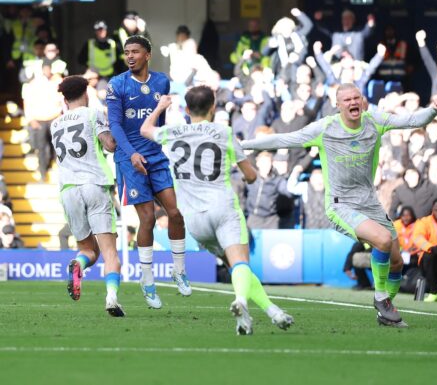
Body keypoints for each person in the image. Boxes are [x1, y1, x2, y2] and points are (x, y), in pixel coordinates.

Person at [241, 83, 437, 327]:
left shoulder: (375, 121)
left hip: (369, 202)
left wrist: (434, 110)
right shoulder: (325, 128)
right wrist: (242, 146)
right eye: (347, 100)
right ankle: (381, 298)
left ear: (362, 101)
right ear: (338, 106)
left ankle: (386, 310)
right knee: (381, 239)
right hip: (341, 204)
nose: (353, 103)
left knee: (396, 262)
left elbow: (412, 120)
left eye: (356, 98)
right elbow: (284, 139)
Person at [140, 85, 293, 335]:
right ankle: (241, 302)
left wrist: (159, 107)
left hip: (194, 220)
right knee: (241, 263)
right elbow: (251, 176)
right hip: (222, 209)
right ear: (213, 108)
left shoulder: (172, 132)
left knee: (235, 267)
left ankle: (270, 311)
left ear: (186, 109)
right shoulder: (224, 132)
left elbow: (144, 130)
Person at [106, 35, 191, 309]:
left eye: (135, 51)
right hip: (128, 158)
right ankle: (147, 278)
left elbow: (159, 123)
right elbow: (116, 126)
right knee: (148, 219)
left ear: (147, 54)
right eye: (126, 52)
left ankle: (179, 270)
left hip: (155, 156)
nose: (130, 56)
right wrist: (131, 154)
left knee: (175, 213)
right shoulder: (116, 84)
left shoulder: (161, 81)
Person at [51, 75, 123, 316]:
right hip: (94, 185)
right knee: (109, 251)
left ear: (65, 98)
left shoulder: (55, 124)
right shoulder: (93, 114)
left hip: (69, 190)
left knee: (88, 251)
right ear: (86, 92)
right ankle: (111, 298)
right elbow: (110, 144)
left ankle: (78, 265)